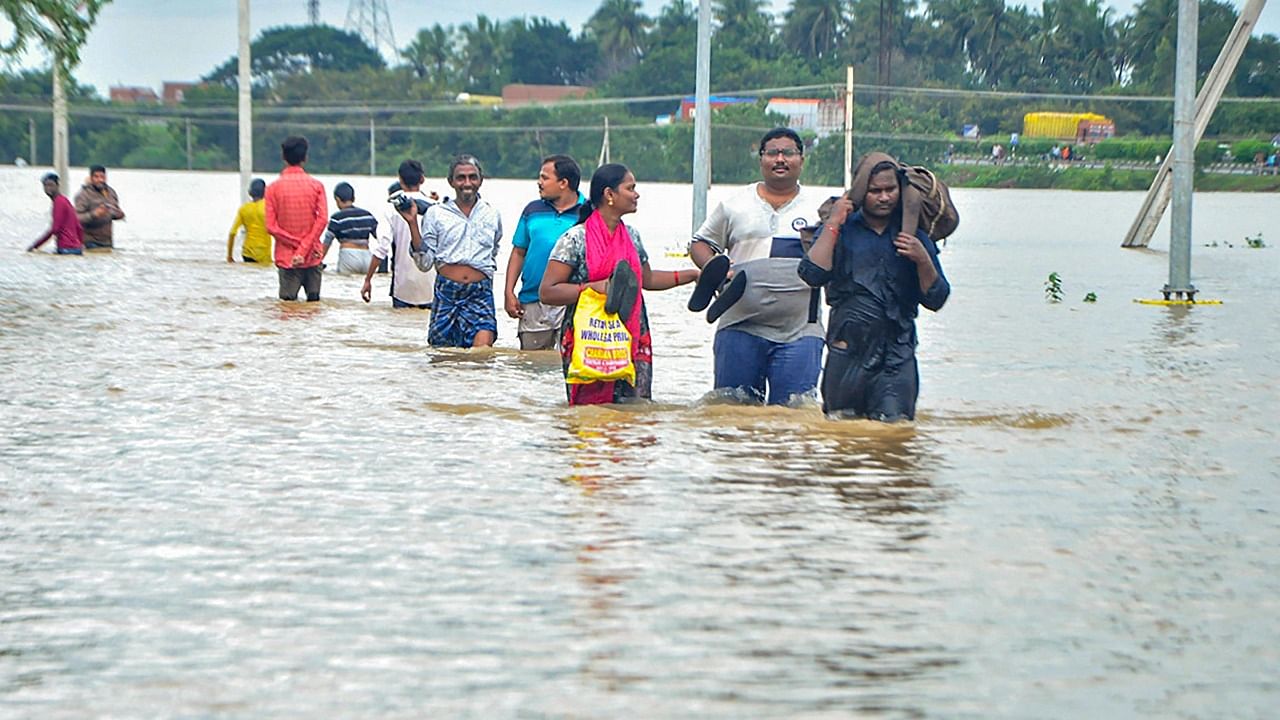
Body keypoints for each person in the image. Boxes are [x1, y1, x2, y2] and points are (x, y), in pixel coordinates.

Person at [798, 152, 950, 422]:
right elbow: (812, 273)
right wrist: (833, 222)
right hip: (847, 351)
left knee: (895, 429)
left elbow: (936, 299)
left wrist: (923, 260)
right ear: (860, 192)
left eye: (890, 190)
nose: (883, 197)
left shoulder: (913, 235)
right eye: (874, 191)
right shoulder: (842, 229)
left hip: (897, 353)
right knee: (840, 430)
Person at [539, 163, 700, 406]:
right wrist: (591, 288)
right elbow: (547, 291)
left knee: (635, 410)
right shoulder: (575, 239)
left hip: (632, 332)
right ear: (609, 194)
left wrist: (693, 275)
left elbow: (647, 280)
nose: (636, 194)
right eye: (630, 188)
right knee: (589, 416)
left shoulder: (632, 236)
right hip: (588, 334)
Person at [688, 127, 827, 406]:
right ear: (761, 159)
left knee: (794, 415)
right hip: (740, 326)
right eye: (772, 153)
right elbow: (699, 244)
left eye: (788, 153)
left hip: (800, 331)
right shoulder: (734, 204)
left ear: (801, 159)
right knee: (732, 413)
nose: (780, 159)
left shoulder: (820, 209)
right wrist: (715, 270)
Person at [408, 155, 503, 347]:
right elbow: (425, 263)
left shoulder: (492, 214)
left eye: (472, 177)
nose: (467, 183)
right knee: (442, 356)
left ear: (480, 180)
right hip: (447, 291)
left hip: (480, 292)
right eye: (461, 178)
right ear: (451, 181)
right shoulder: (436, 214)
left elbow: (493, 250)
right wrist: (412, 223)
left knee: (482, 353)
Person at [504, 154, 586, 350]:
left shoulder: (588, 212)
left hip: (573, 300)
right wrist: (509, 292)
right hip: (533, 301)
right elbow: (518, 252)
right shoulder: (532, 210)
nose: (539, 183)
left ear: (563, 183)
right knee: (531, 366)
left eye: (544, 178)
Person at [362, 163, 436, 309]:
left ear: (400, 181)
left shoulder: (391, 209)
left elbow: (382, 248)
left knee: (399, 326)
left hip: (402, 287)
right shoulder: (436, 207)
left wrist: (368, 280)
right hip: (432, 287)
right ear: (422, 179)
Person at [264, 136, 327, 301]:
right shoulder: (316, 186)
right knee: (313, 307)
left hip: (288, 259)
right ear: (305, 158)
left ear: (284, 158)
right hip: (313, 255)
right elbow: (322, 220)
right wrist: (305, 247)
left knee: (287, 308)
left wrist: (298, 245)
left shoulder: (272, 189)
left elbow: (271, 226)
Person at [323, 182, 378, 274]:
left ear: (337, 199)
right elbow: (381, 237)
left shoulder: (336, 218)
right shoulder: (367, 215)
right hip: (368, 257)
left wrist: (317, 262)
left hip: (348, 256)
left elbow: (327, 242)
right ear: (353, 198)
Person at [28, 173, 84, 255]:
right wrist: (80, 245)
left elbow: (54, 229)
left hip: (66, 249)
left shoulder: (59, 202)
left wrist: (35, 246)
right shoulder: (64, 200)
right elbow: (79, 227)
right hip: (75, 249)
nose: (48, 188)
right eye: (45, 186)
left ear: (57, 186)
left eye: (51, 185)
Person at [74, 165, 125, 250]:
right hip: (90, 242)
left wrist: (119, 215)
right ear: (91, 178)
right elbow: (76, 218)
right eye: (96, 177)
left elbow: (115, 211)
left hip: (107, 242)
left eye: (102, 177)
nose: (100, 180)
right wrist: (94, 214)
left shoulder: (111, 192)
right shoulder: (83, 195)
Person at [226, 178, 271, 264]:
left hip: (247, 252)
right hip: (263, 252)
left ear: (250, 192)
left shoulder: (244, 209)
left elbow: (232, 232)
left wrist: (229, 256)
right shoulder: (268, 207)